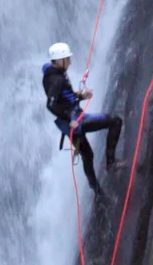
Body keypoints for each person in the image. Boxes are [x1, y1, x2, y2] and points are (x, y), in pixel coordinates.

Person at [42, 42, 123, 198]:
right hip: (75, 121)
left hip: (72, 121)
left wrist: (81, 96)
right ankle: (111, 163)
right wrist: (69, 118)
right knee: (115, 121)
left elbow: (64, 98)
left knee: (88, 155)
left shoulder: (54, 75)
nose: (70, 62)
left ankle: (97, 190)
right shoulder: (56, 80)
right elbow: (51, 104)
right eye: (67, 59)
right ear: (59, 60)